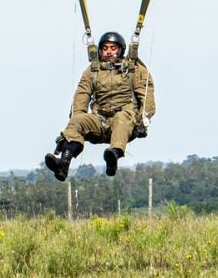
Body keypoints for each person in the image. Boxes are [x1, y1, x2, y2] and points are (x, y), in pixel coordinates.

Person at [45, 31, 155, 181]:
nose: (109, 51)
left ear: (121, 50)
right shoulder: (92, 71)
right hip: (100, 121)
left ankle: (113, 156)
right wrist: (77, 117)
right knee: (78, 121)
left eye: (113, 48)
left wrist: (143, 120)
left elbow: (146, 94)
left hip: (125, 122)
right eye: (105, 48)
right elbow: (82, 95)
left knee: (122, 117)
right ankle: (64, 162)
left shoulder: (134, 69)